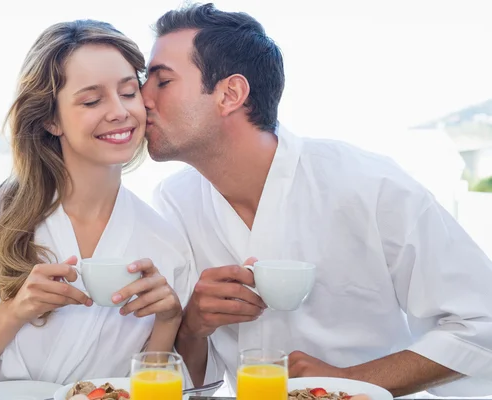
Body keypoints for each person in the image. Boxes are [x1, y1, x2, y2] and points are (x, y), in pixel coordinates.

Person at [142, 3, 492, 397]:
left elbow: (482, 323)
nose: (141, 99)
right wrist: (193, 326)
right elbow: (189, 382)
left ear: (230, 94)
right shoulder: (174, 201)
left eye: (162, 81)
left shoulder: (368, 184)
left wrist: (354, 380)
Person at [0, 19, 192, 389]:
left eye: (128, 92)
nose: (119, 111)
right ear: (52, 119)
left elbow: (150, 390)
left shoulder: (164, 241)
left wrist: (168, 320)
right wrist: (14, 311)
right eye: (91, 100)